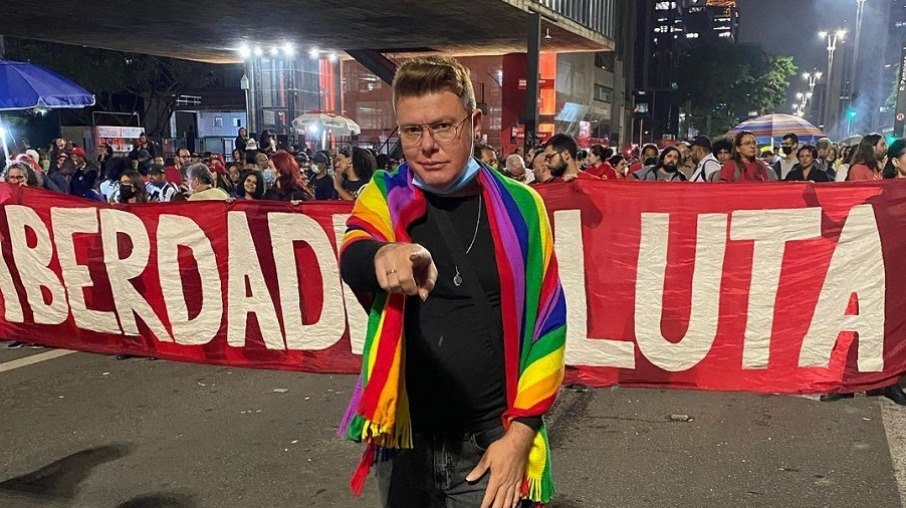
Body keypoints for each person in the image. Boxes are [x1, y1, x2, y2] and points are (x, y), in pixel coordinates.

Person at [338, 55, 565, 508]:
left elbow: (549, 322)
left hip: (488, 448)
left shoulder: (523, 207)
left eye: (443, 126)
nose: (427, 146)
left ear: (474, 122)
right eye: (411, 131)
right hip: (404, 444)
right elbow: (354, 251)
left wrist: (519, 437)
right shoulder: (384, 196)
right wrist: (386, 253)